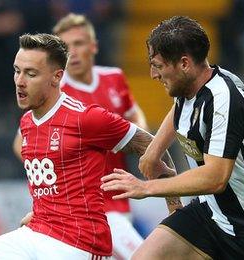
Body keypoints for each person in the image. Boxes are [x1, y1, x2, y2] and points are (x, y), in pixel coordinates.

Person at [0, 33, 181, 260]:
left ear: (56, 77)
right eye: (17, 71)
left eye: (31, 73)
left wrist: (175, 211)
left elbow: (148, 143)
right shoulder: (27, 122)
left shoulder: (85, 118)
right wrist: (43, 212)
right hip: (38, 231)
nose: (20, 81)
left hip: (80, 242)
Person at [101, 16, 244, 260]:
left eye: (158, 66)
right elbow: (179, 109)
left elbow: (215, 178)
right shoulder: (187, 85)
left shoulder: (224, 100)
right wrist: (154, 150)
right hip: (210, 214)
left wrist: (146, 187)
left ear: (184, 63)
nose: (153, 74)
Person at [13, 13, 148, 259]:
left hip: (118, 198)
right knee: (144, 255)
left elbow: (133, 115)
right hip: (86, 209)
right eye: (66, 47)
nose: (72, 52)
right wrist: (58, 193)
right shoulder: (54, 94)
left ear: (93, 46)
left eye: (79, 44)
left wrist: (131, 137)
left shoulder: (113, 77)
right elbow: (21, 144)